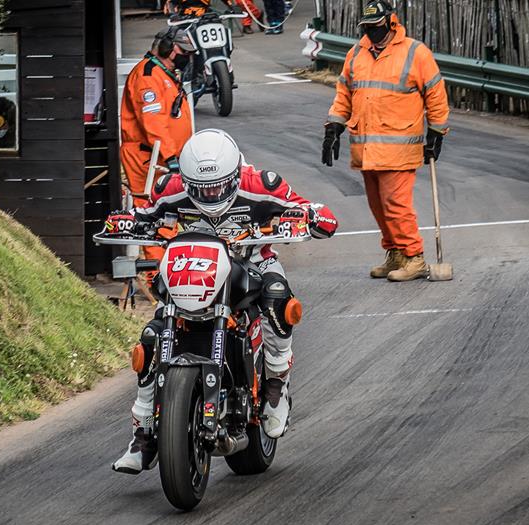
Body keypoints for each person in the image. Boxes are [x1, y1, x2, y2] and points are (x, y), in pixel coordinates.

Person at [109, 129, 338, 474]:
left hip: (252, 259)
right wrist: (126, 221)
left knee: (278, 299)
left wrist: (310, 216)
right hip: (193, 265)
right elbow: (145, 214)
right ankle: (142, 435)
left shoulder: (261, 183)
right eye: (201, 189)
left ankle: (276, 385)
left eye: (217, 186)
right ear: (185, 181)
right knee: (151, 336)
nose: (211, 194)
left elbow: (304, 207)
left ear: (234, 176)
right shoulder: (169, 188)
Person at [321, 0, 449, 282]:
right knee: (378, 206)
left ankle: (414, 257)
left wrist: (437, 132)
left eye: (376, 27)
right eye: (366, 28)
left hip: (400, 147)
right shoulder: (357, 53)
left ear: (391, 23)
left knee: (396, 205)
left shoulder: (415, 53)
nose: (371, 33)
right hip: (367, 149)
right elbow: (345, 94)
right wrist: (334, 127)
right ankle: (395, 254)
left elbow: (436, 93)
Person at [120, 26, 196, 262]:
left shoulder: (164, 73)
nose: (186, 57)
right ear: (167, 49)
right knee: (153, 214)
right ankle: (157, 272)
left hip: (164, 158)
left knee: (171, 213)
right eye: (182, 52)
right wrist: (171, 157)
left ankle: (170, 264)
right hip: (149, 160)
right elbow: (153, 123)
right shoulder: (148, 77)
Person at [165, 0, 262, 34]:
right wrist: (173, 15)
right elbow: (170, 3)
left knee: (223, 34)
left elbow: (227, 1)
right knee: (173, 38)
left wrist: (232, 7)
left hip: (206, 16)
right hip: (185, 19)